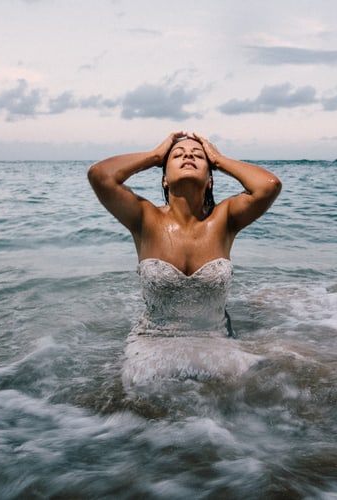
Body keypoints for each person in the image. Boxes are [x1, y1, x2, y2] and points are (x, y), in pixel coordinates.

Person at [88, 131, 281, 388]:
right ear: (165, 180)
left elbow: (268, 186)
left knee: (244, 393)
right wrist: (155, 155)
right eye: (177, 155)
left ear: (210, 180)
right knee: (141, 390)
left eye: (197, 155)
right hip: (153, 342)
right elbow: (100, 176)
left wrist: (219, 159)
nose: (188, 155)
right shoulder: (144, 217)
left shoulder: (225, 218)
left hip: (216, 342)